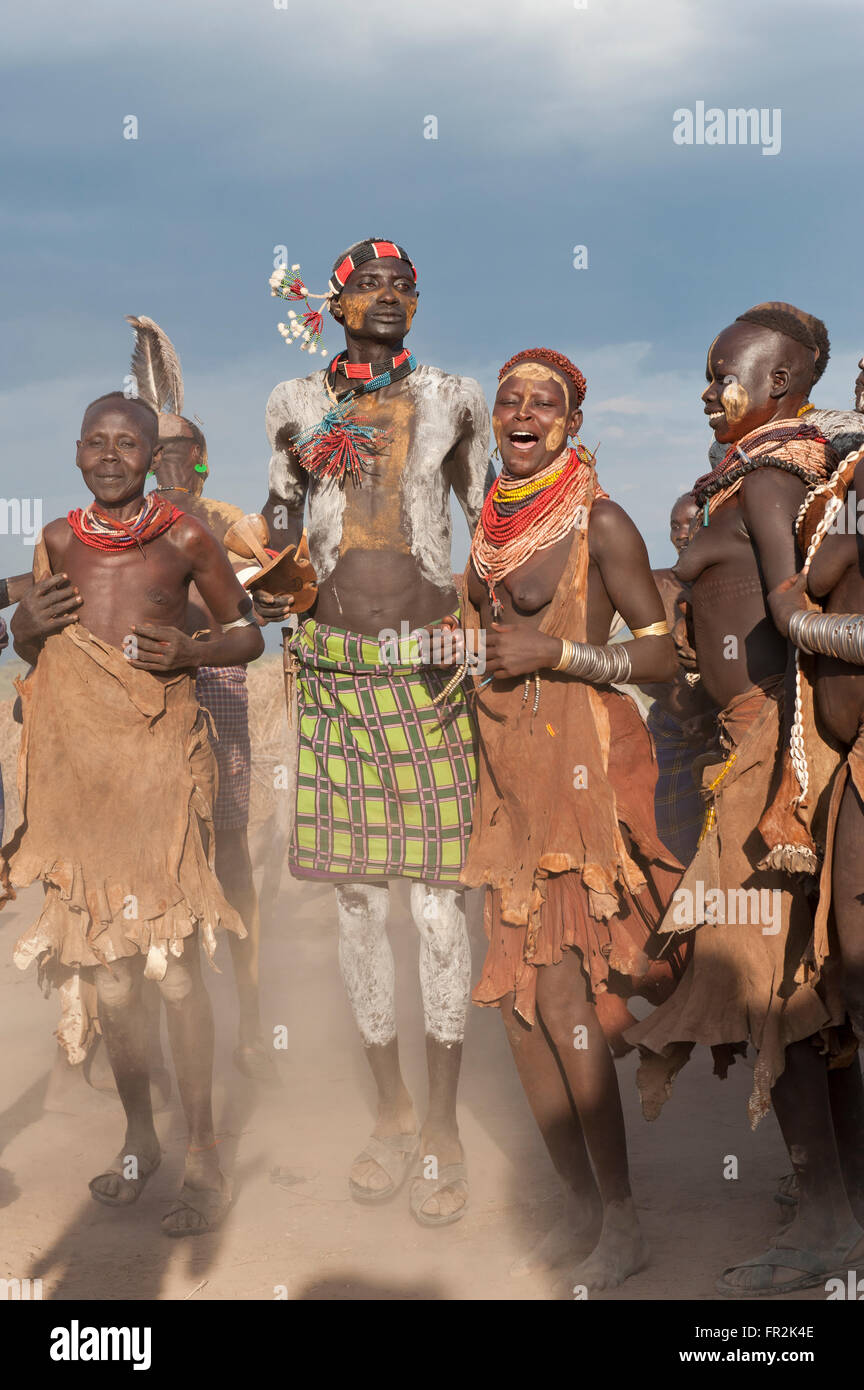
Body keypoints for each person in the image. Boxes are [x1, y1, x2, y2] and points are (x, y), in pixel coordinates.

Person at [628, 305, 864, 1295]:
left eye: (728, 372)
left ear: (783, 386)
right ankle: (832, 1202)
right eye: (708, 368)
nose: (708, 386)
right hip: (757, 745)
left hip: (773, 750)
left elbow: (784, 611)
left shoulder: (772, 477)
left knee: (779, 981)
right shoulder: (774, 476)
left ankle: (825, 1217)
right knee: (803, 984)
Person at [255, 239, 491, 1224]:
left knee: (436, 911)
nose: (388, 297)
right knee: (360, 905)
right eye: (370, 286)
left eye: (404, 286)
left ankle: (442, 1126)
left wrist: (479, 630)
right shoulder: (294, 404)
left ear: (416, 303)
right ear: (334, 302)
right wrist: (277, 530)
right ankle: (389, 1113)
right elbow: (278, 527)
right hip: (336, 673)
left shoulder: (455, 396)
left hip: (429, 673)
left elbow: (492, 518)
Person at [5, 392, 264, 1235]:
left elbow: (248, 632)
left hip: (159, 772)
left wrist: (192, 649)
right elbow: (38, 647)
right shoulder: (55, 541)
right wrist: (21, 628)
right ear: (78, 451)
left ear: (153, 455)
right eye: (98, 442)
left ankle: (204, 1154)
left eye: (130, 443)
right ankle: (138, 1139)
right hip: (83, 783)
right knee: (111, 976)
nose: (112, 455)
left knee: (175, 970)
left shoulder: (185, 538)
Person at [459, 347, 684, 1290]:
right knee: (516, 1015)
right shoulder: (486, 531)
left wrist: (559, 650)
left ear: (571, 424)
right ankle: (579, 1208)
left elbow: (667, 658)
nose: (521, 411)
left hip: (583, 779)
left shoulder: (604, 522)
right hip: (507, 783)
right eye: (508, 398)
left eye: (541, 402)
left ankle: (624, 1222)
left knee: (563, 1002)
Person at [125, 313, 275, 1083]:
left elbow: (279, 576)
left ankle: (248, 1014)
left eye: (185, 453)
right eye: (163, 454)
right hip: (143, 704)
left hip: (215, 691)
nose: (172, 465)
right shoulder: (129, 524)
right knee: (149, 855)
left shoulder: (222, 522)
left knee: (229, 853)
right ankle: (149, 1014)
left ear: (204, 462)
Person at [641, 494, 716, 864]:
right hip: (671, 725)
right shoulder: (656, 584)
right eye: (675, 525)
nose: (683, 534)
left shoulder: (727, 585)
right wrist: (679, 705)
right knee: (669, 836)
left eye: (692, 523)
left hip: (718, 723)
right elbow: (639, 663)